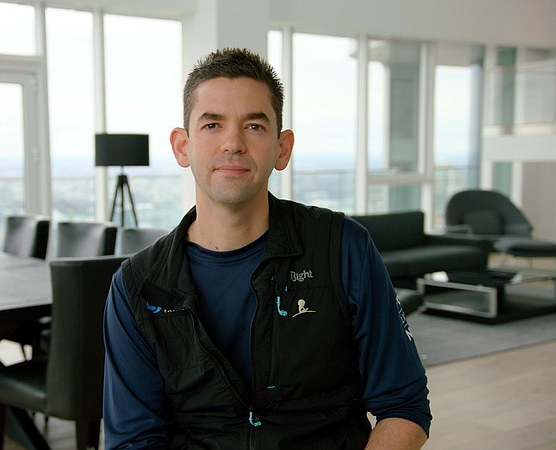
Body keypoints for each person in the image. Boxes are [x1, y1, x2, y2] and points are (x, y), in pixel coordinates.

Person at [103, 47, 431, 449]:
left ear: (282, 147)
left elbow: (404, 404)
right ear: (182, 146)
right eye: (212, 125)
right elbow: (134, 441)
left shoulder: (344, 248)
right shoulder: (137, 286)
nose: (233, 143)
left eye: (255, 126)